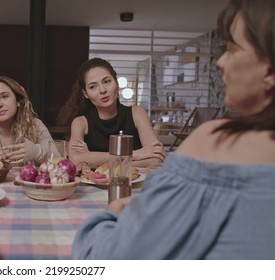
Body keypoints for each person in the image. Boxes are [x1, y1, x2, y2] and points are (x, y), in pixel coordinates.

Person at [73, 0, 275, 259]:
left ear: (269, 70)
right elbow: (78, 159)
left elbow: (109, 258)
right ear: (85, 94)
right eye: (93, 86)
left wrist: (113, 212)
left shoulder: (212, 141)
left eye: (233, 49)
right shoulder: (81, 121)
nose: (220, 62)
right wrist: (137, 155)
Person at [66, 58, 166, 168]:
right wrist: (134, 155)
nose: (102, 90)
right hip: (95, 184)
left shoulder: (137, 113)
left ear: (116, 83)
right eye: (93, 86)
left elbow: (157, 158)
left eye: (107, 81)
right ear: (85, 94)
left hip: (134, 183)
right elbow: (75, 160)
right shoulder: (80, 123)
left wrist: (93, 159)